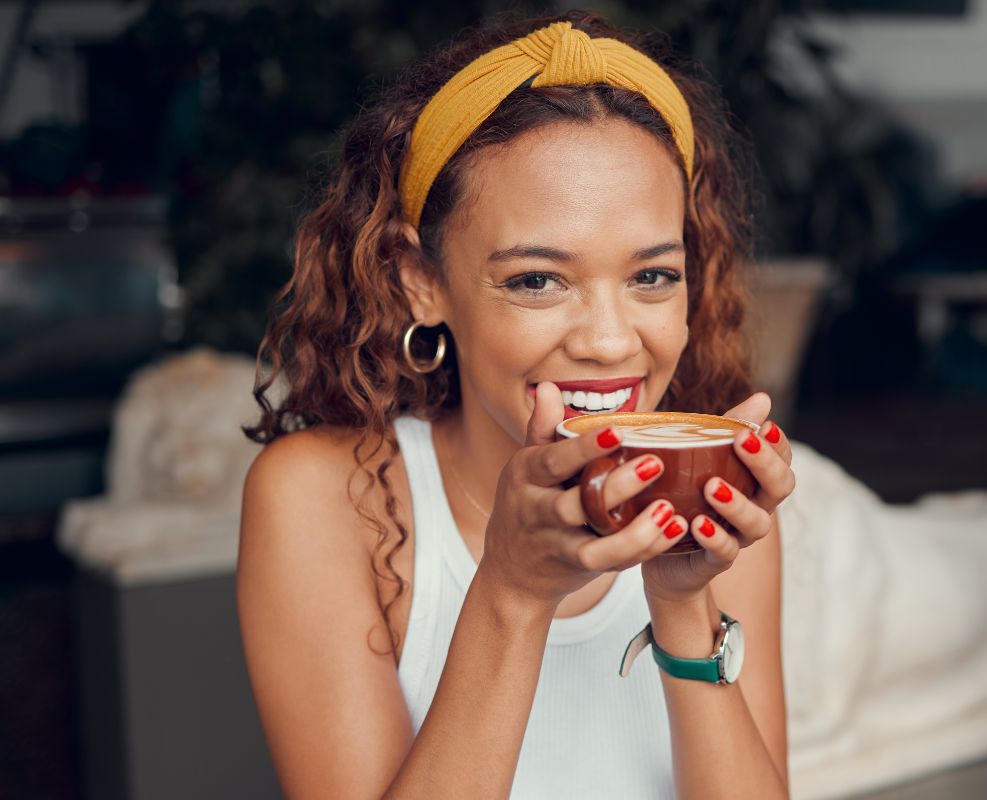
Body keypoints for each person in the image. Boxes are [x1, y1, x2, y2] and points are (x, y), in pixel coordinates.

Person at [237, 11, 795, 799]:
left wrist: (680, 599)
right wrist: (512, 588)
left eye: (651, 277)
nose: (609, 342)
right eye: (538, 280)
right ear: (417, 280)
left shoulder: (718, 510)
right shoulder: (324, 499)